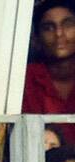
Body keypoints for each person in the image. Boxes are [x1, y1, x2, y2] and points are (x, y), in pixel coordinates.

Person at [24, 0, 75, 145]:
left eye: (68, 24)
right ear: (36, 37)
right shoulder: (24, 79)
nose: (59, 34)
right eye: (48, 27)